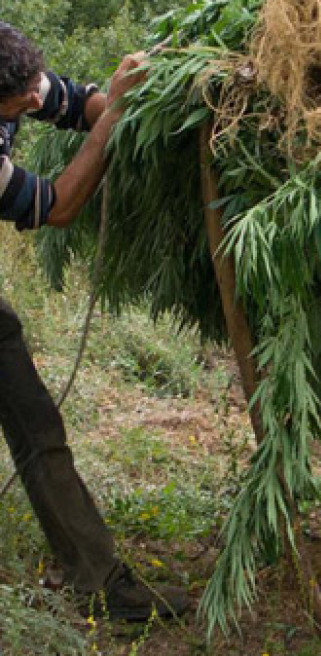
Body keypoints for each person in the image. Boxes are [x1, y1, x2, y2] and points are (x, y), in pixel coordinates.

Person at [1, 22, 190, 621]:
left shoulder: (17, 79)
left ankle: (102, 583)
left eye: (34, 85)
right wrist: (112, 127)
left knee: (36, 424)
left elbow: (79, 104)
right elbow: (55, 207)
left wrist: (139, 95)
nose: (35, 101)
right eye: (20, 100)